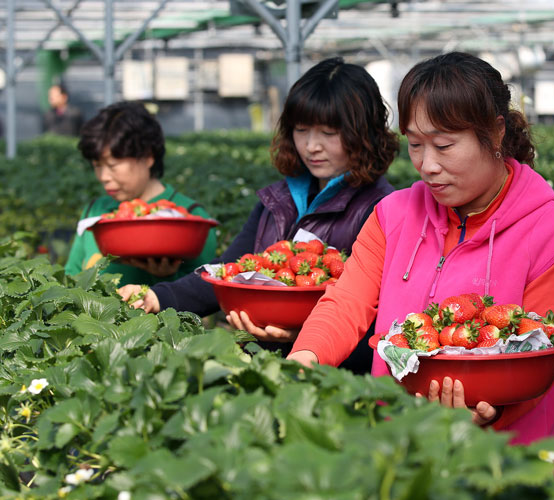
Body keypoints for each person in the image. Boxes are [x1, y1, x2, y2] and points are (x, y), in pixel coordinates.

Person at [284, 52, 554, 467]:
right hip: (397, 458)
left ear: (496, 132)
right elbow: (346, 302)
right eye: (415, 145)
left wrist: (491, 409)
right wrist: (303, 360)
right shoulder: (393, 215)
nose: (427, 166)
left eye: (445, 145)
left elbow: (540, 358)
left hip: (504, 472)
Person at [119, 57, 399, 373]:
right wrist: (156, 297)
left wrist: (310, 342)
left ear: (365, 133)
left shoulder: (382, 213)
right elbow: (227, 271)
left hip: (336, 384)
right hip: (260, 367)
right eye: (301, 130)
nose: (311, 146)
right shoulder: (277, 200)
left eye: (328, 132)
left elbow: (385, 326)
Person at [65, 101, 217, 286]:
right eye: (97, 165)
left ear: (148, 157)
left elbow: (204, 294)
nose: (104, 177)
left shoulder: (191, 218)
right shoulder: (94, 212)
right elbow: (71, 278)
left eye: (113, 166)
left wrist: (165, 278)